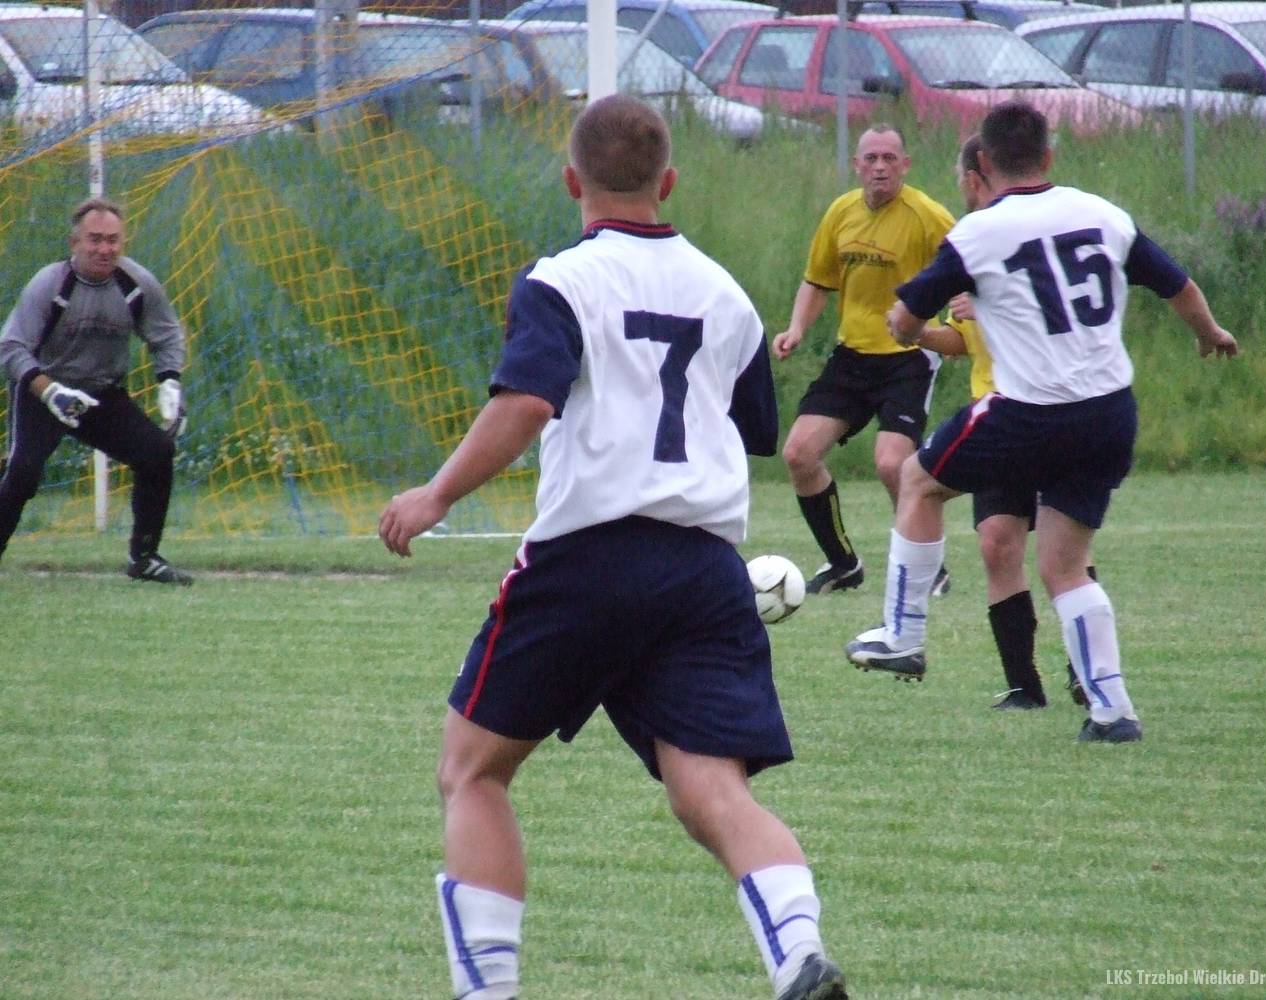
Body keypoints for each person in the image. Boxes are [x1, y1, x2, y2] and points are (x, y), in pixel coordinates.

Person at [378, 95, 848, 1000]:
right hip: (704, 570)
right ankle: (798, 955)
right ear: (668, 182)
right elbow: (751, 427)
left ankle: (488, 992)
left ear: (571, 181)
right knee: (712, 793)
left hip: (588, 561)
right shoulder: (727, 295)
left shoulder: (560, 281)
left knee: (472, 772)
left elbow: (526, 402)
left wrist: (435, 494)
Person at [844, 101, 1237, 742]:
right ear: (1049, 156)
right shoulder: (1103, 214)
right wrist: (1209, 333)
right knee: (1065, 566)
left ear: (983, 162)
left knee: (917, 480)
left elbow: (909, 315)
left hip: (1029, 411)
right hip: (1110, 412)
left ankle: (902, 636)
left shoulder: (979, 233)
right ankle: (1112, 713)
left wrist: (904, 327)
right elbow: (1179, 286)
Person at [914, 135, 1092, 711]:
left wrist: (988, 306)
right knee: (997, 543)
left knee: (1065, 551)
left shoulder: (1028, 233)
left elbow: (1048, 314)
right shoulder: (968, 242)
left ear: (980, 175)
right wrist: (917, 334)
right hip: (995, 416)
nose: (968, 191)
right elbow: (960, 340)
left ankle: (1086, 668)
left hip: (1045, 408)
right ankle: (1024, 686)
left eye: (968, 180)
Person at [774, 125, 954, 598]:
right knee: (799, 454)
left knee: (892, 464)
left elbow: (967, 270)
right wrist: (796, 328)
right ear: (856, 165)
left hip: (909, 355)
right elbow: (817, 280)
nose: (880, 167)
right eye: (871, 158)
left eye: (889, 158)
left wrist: (957, 328)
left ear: (905, 165)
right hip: (852, 356)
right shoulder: (841, 212)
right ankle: (843, 564)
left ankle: (929, 568)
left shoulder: (928, 216)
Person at [0, 197, 191, 584]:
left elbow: (167, 335)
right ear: (75, 243)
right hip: (43, 391)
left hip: (102, 395)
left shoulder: (137, 285)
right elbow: (10, 347)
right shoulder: (49, 284)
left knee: (157, 452)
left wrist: (170, 380)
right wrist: (51, 392)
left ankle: (144, 558)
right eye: (95, 239)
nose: (105, 248)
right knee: (23, 472)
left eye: (113, 240)